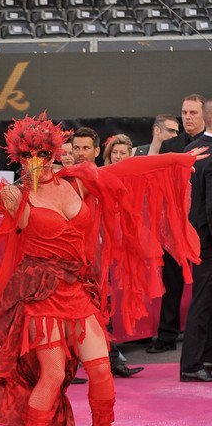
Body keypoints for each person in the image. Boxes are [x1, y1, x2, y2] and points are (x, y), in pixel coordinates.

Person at [0, 113, 202, 426]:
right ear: (18, 156)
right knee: (52, 374)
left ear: (54, 152)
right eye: (28, 155)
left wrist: (178, 159)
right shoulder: (15, 195)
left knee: (101, 369)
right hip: (40, 293)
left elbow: (127, 171)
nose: (37, 161)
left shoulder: (77, 182)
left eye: (43, 153)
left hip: (77, 289)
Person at [71, 127, 143, 378]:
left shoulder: (105, 177)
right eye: (76, 148)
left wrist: (181, 160)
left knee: (102, 306)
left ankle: (109, 359)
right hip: (70, 259)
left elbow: (143, 167)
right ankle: (82, 364)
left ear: (96, 151)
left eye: (85, 148)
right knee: (73, 312)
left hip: (99, 257)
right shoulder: (63, 179)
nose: (80, 153)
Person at [147, 94, 206, 354]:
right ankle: (166, 335)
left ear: (204, 115)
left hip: (203, 223)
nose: (188, 117)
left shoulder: (209, 144)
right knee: (171, 283)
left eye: (193, 112)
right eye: (184, 113)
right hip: (174, 224)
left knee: (205, 284)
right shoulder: (171, 146)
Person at [179, 98, 212, 382]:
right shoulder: (206, 152)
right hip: (207, 239)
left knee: (205, 298)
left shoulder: (192, 150)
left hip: (195, 235)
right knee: (202, 300)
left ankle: (204, 358)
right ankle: (191, 364)